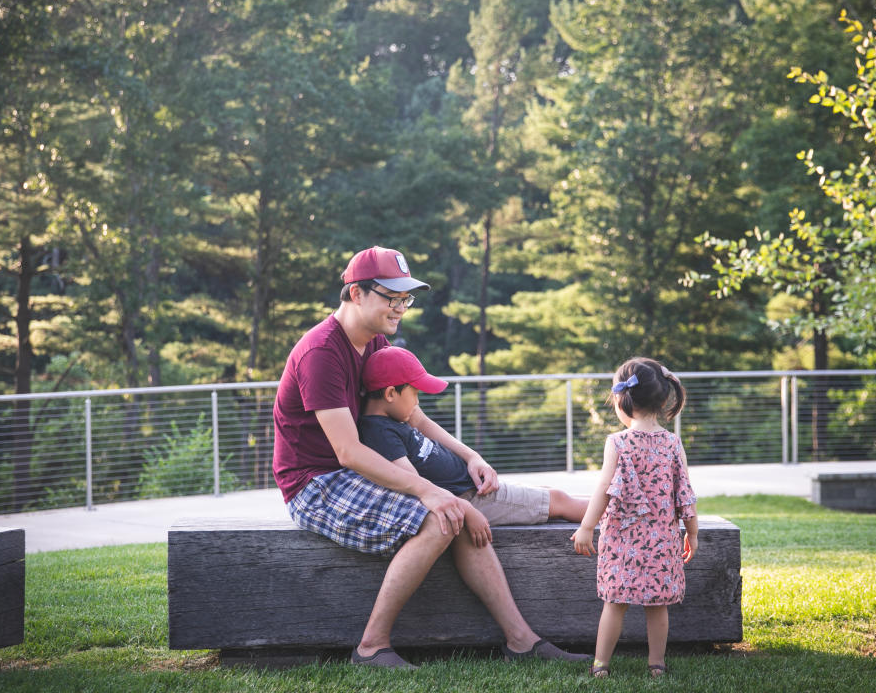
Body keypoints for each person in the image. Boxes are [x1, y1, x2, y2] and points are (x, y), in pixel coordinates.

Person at [272, 246, 588, 670]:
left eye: (406, 298)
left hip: (360, 470)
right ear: (356, 293)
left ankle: (521, 640)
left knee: (451, 510)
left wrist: (470, 455)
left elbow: (412, 414)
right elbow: (348, 453)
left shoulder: (375, 343)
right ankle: (371, 647)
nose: (400, 307)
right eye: (391, 297)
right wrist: (434, 495)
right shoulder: (321, 353)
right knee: (439, 516)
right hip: (317, 483)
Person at [358, 345, 587, 546]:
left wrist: (472, 458)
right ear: (390, 394)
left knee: (550, 494)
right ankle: (620, 515)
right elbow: (416, 485)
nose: (417, 402)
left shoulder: (393, 420)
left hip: (472, 490)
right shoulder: (379, 433)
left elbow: (421, 424)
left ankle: (615, 509)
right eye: (415, 393)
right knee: (559, 500)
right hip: (468, 499)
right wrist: (467, 510)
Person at [570, 357, 699, 680]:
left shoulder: (617, 442)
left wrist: (587, 527)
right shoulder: (672, 443)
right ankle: (657, 664)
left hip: (622, 538)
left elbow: (602, 489)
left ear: (622, 399)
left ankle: (601, 665)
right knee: (658, 606)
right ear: (662, 399)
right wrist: (692, 533)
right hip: (662, 538)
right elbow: (685, 493)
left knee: (615, 602)